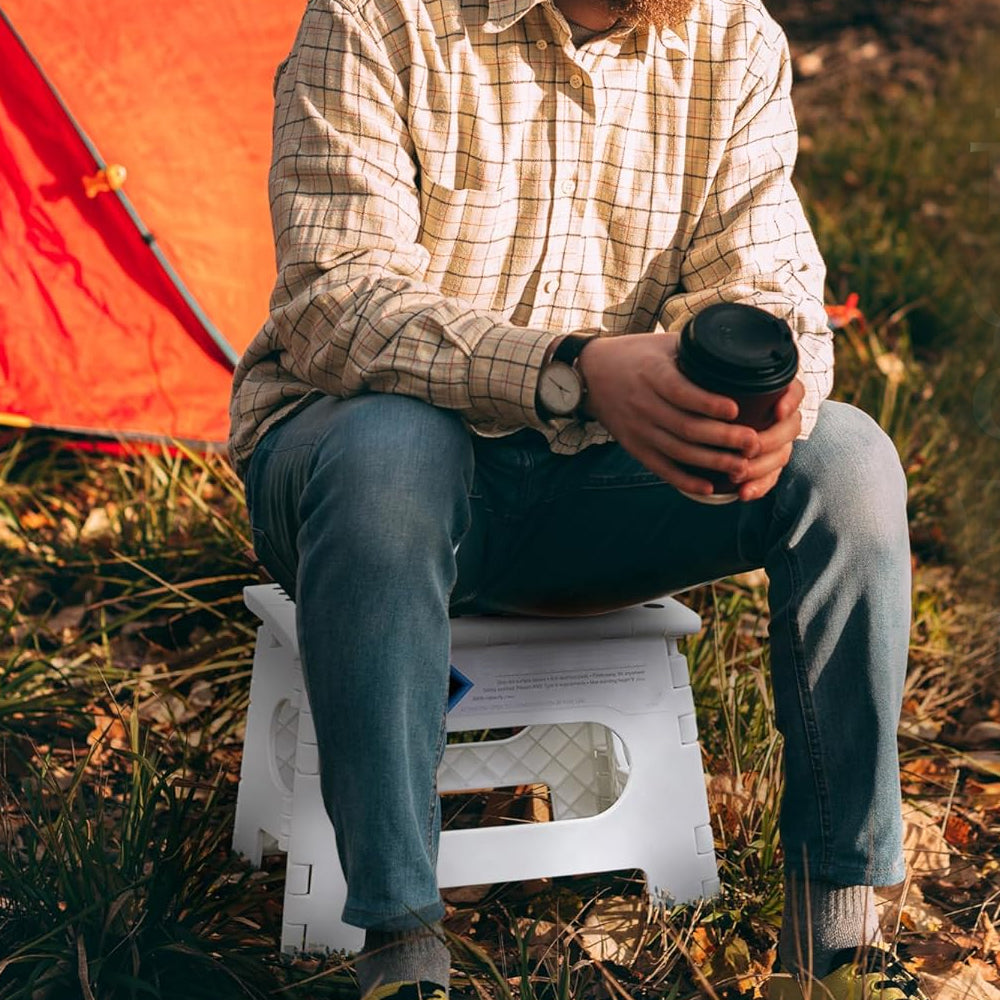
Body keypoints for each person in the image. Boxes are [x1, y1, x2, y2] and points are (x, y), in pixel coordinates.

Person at [229, 0, 926, 995]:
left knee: (849, 457)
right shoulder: (381, 17)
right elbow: (335, 306)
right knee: (394, 448)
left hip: (601, 483)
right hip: (366, 475)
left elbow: (768, 285)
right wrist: (568, 369)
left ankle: (837, 941)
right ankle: (398, 944)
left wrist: (768, 392)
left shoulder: (730, 36)